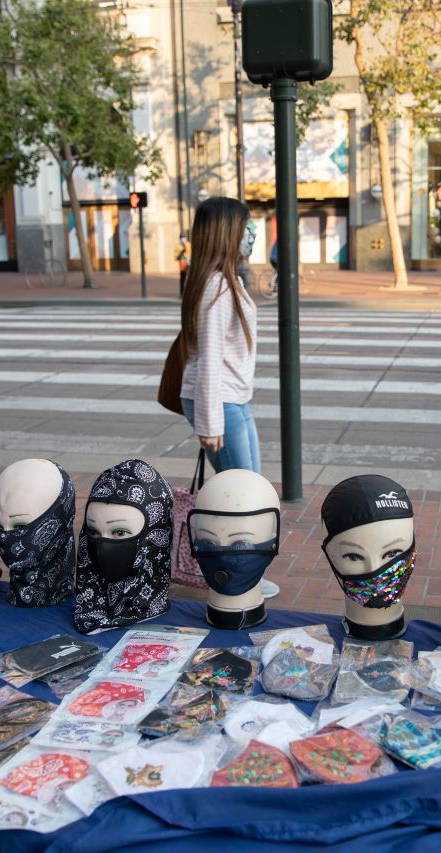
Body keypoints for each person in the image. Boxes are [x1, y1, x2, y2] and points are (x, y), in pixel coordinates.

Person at [177, 197, 278, 599]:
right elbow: (208, 361)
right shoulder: (216, 287)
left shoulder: (226, 279)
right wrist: (209, 424)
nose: (250, 232)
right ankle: (238, 576)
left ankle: (243, 569)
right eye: (245, 225)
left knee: (251, 488)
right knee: (242, 499)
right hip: (220, 402)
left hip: (232, 399)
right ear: (226, 232)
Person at [174, 230, 191, 296]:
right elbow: (176, 257)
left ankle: (188, 293)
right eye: (182, 237)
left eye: (184, 237)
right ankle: (182, 293)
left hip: (188, 266)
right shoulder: (178, 246)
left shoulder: (189, 245)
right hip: (182, 266)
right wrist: (181, 253)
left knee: (189, 280)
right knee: (182, 280)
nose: (183, 239)